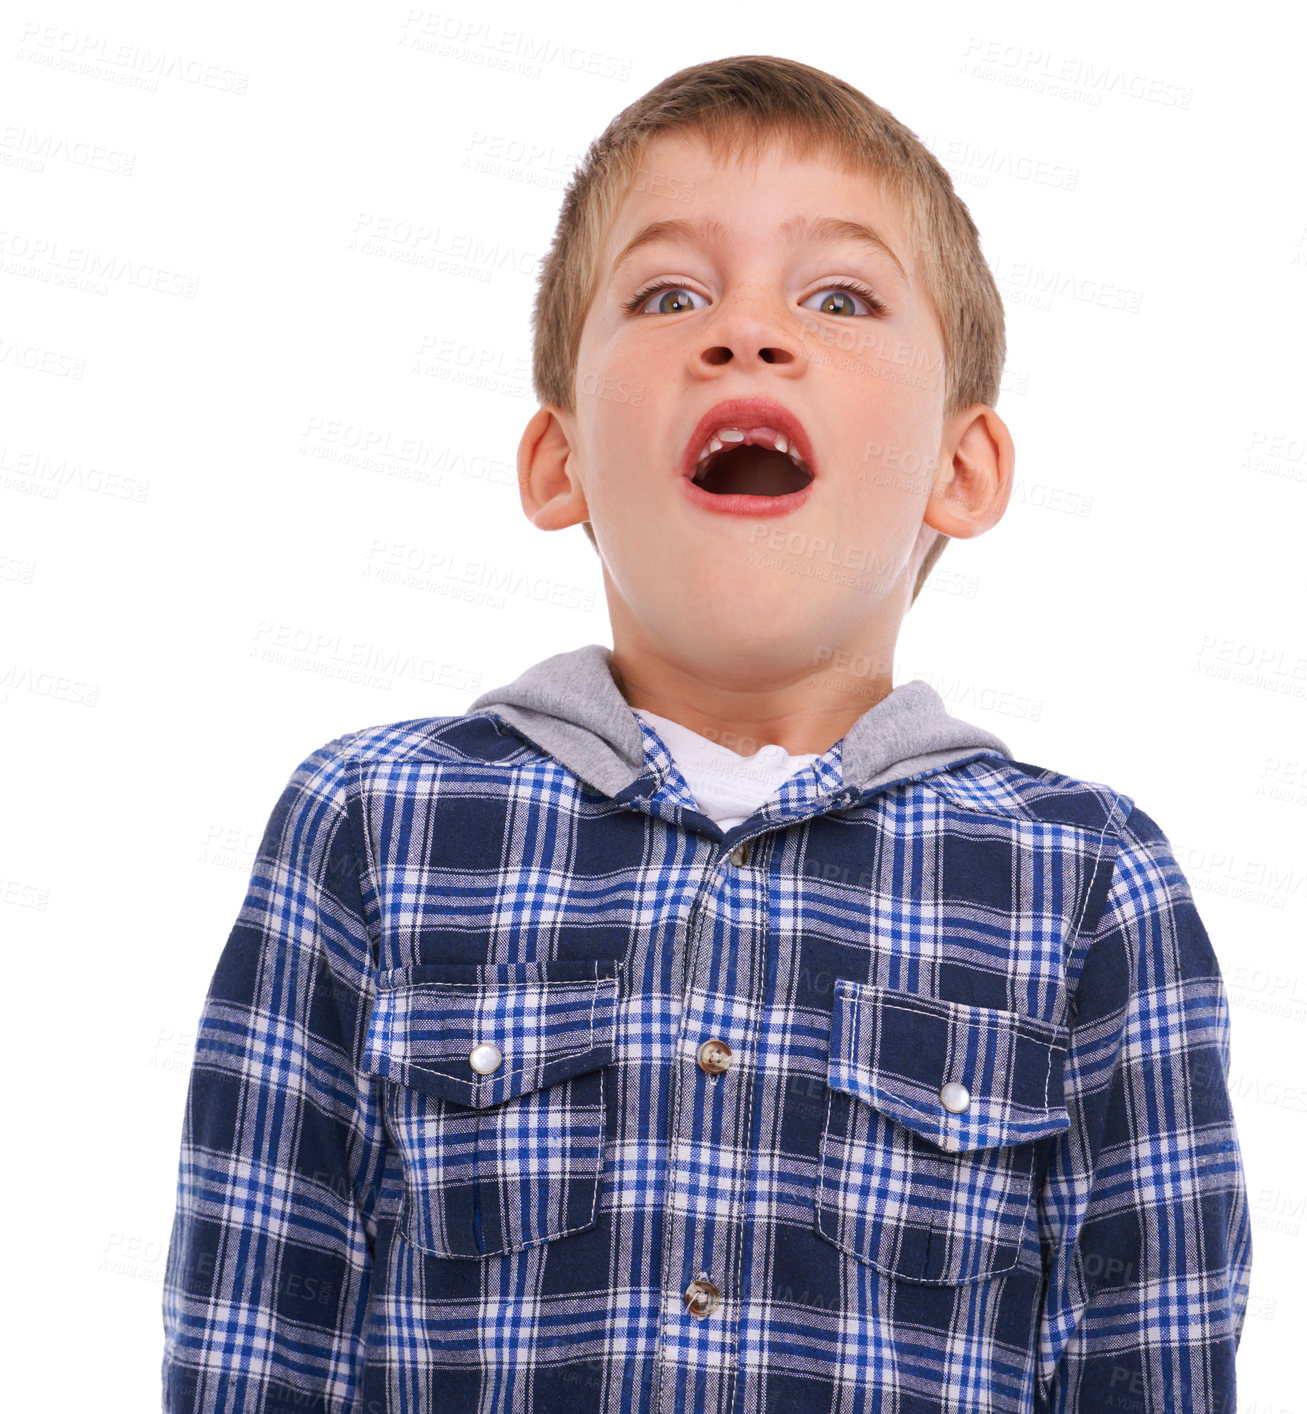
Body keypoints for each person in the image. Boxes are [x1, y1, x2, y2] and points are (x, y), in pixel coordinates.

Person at [162, 53, 1251, 1413]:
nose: (746, 333)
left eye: (838, 297)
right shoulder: (373, 826)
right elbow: (253, 1329)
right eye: (670, 294)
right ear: (557, 460)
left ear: (960, 468)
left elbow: (1151, 1356)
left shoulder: (1087, 881)